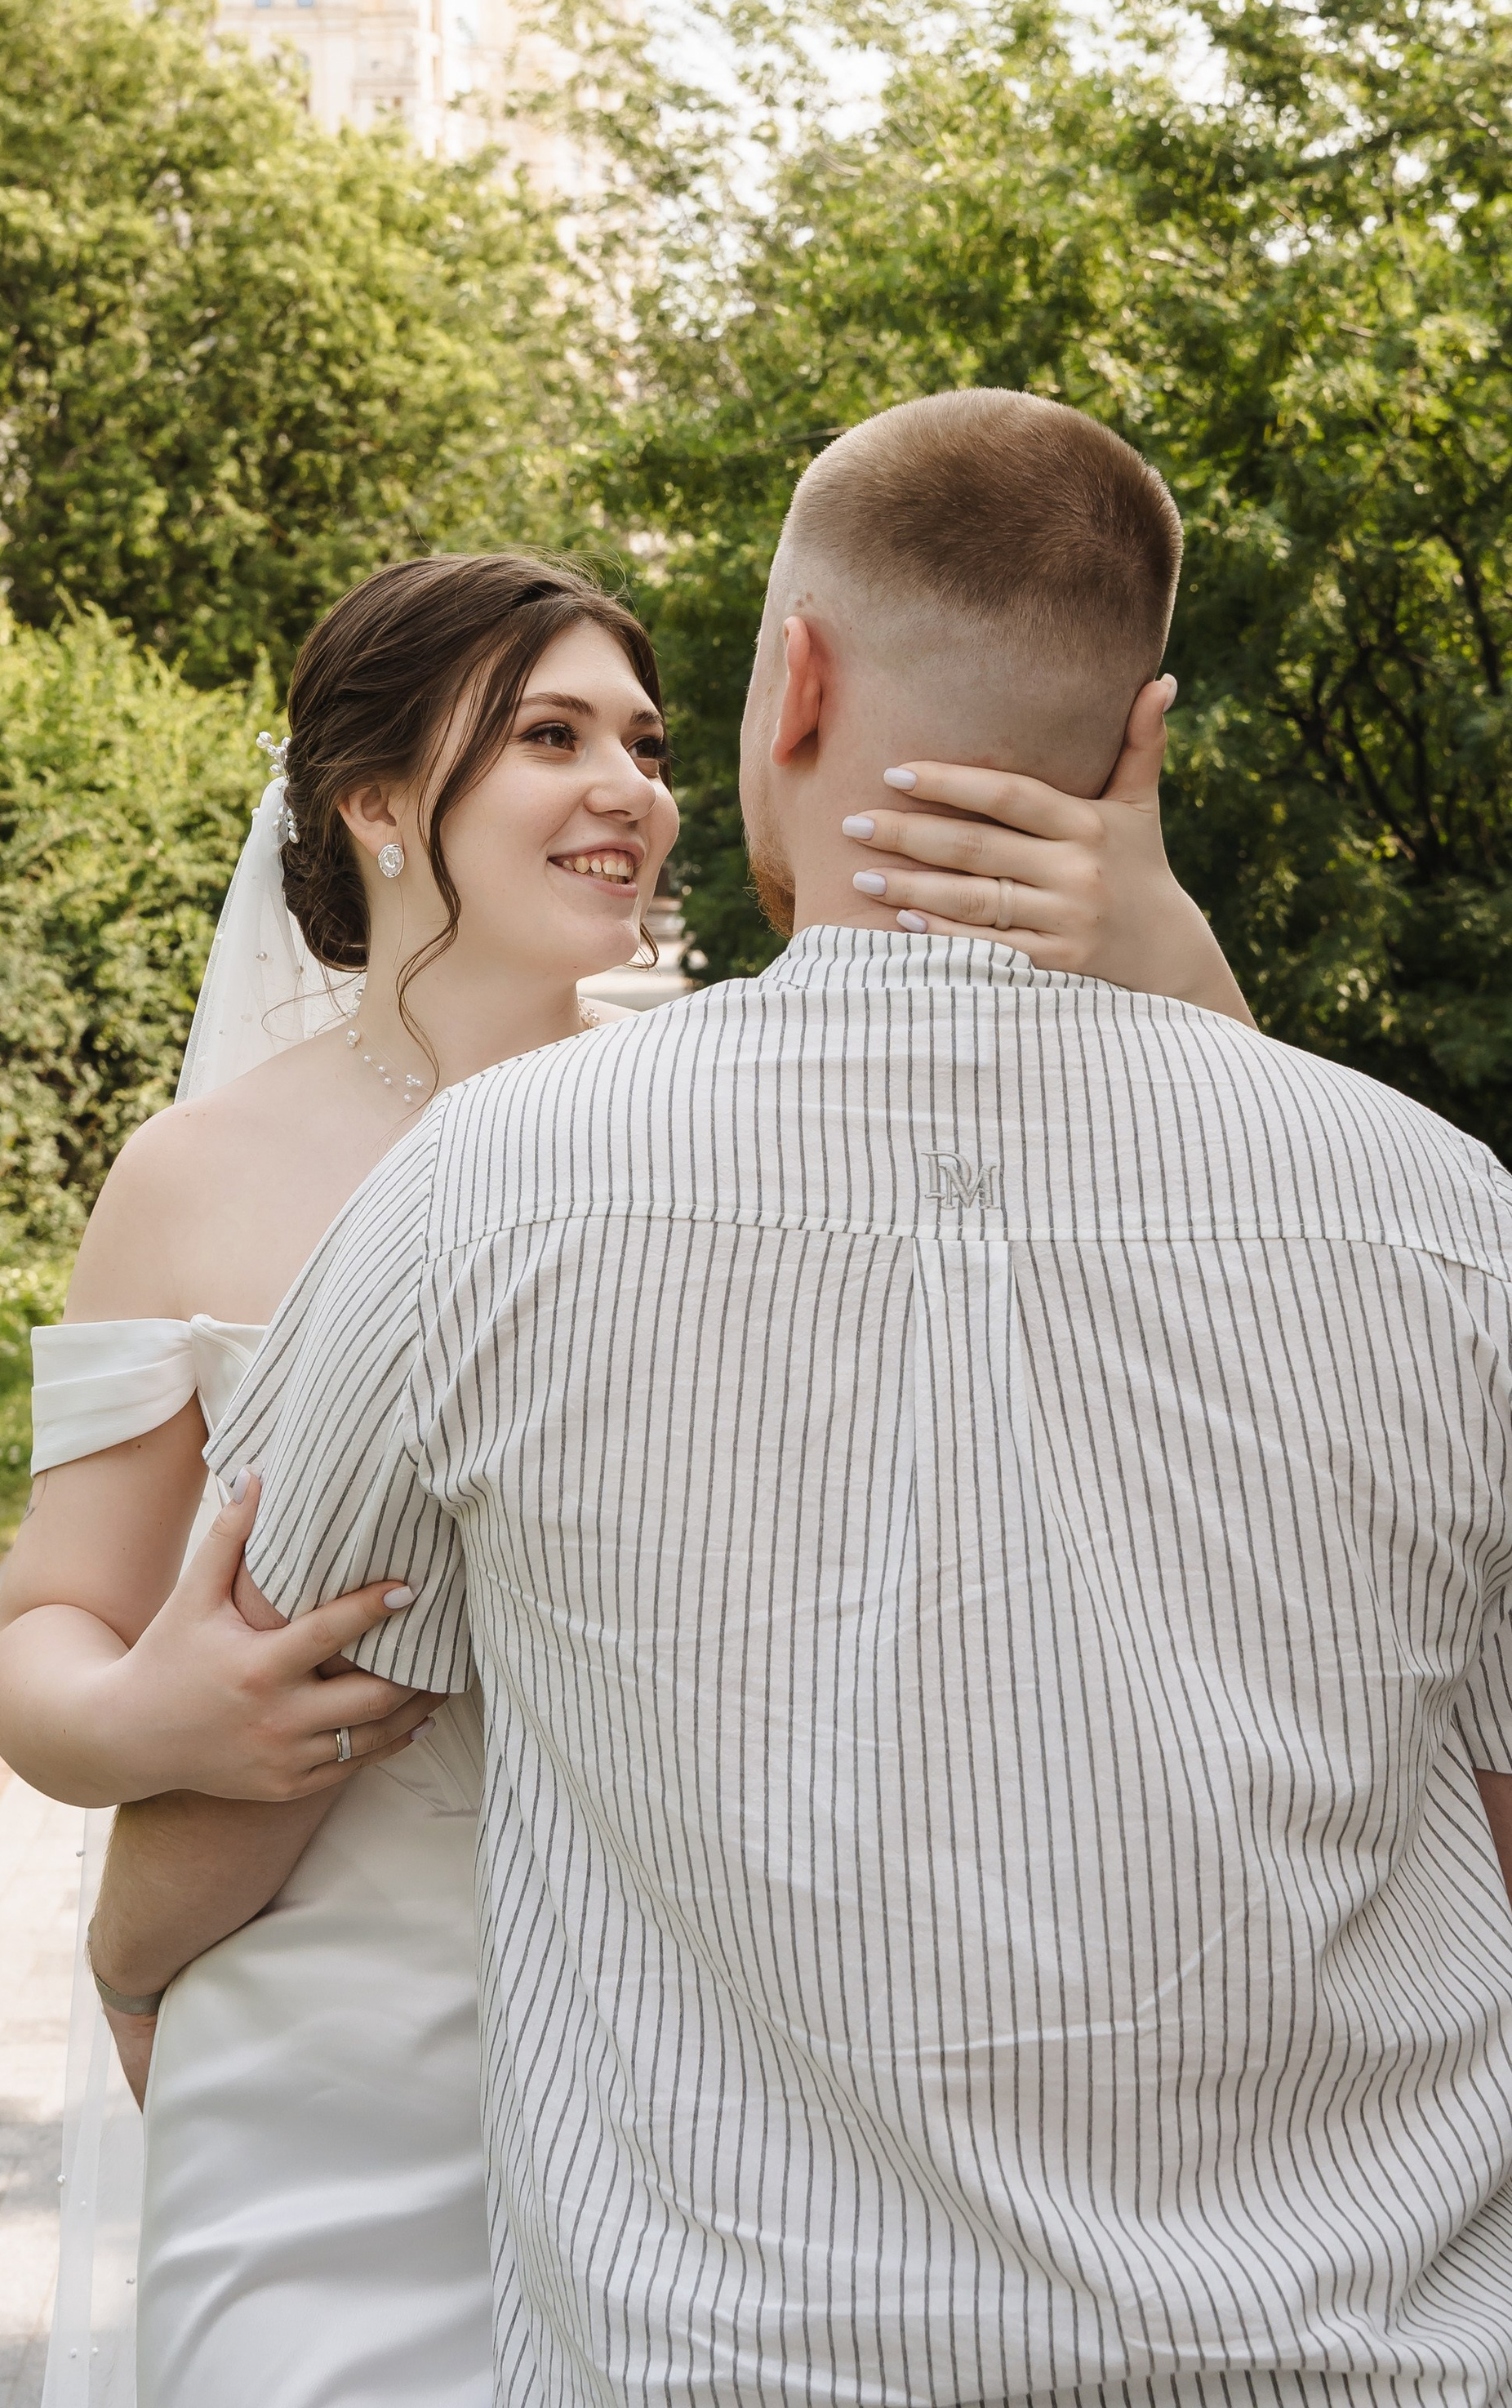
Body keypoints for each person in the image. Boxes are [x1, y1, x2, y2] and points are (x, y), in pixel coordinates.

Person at [211, 399, 1512, 2408]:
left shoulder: (484, 1188)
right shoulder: (1446, 1224)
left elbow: (257, 1696)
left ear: (791, 677)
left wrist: (130, 1973)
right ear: (1136, 739)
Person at [0, 541, 1253, 2408]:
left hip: (715, 2022)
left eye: (648, 743)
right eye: (547, 735)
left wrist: (1180, 970)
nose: (629, 794)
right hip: (320, 2025)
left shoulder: (747, 1105)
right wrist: (148, 1725)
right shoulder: (188, 1180)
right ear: (369, 803)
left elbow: (1174, 1271)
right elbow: (48, 1630)